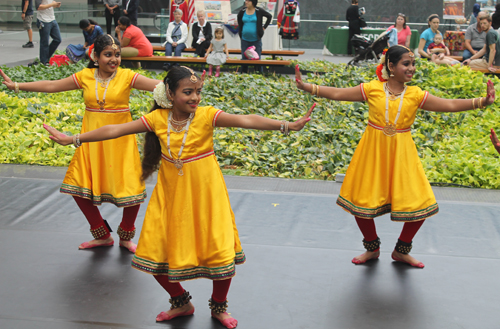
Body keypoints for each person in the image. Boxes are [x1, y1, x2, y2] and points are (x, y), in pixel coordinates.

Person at [43, 65, 315, 329]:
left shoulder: (207, 115)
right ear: (170, 94)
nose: (195, 97)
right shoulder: (158, 119)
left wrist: (288, 125)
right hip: (170, 195)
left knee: (218, 248)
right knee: (156, 252)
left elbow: (246, 120)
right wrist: (74, 138)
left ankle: (219, 307)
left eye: (197, 91)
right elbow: (114, 129)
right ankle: (180, 301)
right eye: (187, 92)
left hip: (206, 194)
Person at [294, 45, 495, 268]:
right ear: (391, 66)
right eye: (406, 64)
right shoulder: (372, 89)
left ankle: (402, 250)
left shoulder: (415, 94)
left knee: (420, 204)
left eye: (413, 64)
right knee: (361, 202)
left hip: (403, 155)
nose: (411, 68)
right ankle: (372, 248)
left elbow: (448, 105)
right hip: (372, 153)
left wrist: (481, 102)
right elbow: (339, 93)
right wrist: (307, 86)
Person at [1, 34, 160, 252]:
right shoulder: (85, 76)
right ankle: (102, 234)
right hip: (91, 142)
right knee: (77, 187)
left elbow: (158, 86)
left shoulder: (127, 76)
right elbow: (52, 85)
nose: (113, 59)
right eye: (108, 55)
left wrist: (183, 83)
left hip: (120, 143)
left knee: (131, 189)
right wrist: (18, 85)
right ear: (95, 56)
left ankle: (126, 236)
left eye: (117, 55)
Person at [237, 0, 272, 73]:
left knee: (257, 59)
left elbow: (269, 16)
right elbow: (239, 22)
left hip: (256, 40)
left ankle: (258, 75)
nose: (246, 2)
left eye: (248, 1)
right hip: (244, 40)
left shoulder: (259, 11)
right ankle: (243, 75)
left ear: (253, 2)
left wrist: (264, 27)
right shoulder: (242, 11)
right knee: (244, 59)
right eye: (246, 0)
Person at [32, 0, 62, 66]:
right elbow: (39, 7)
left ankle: (45, 57)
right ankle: (44, 61)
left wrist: (55, 5)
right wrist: (52, 4)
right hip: (43, 20)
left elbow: (48, 6)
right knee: (44, 42)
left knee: (58, 39)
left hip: (52, 19)